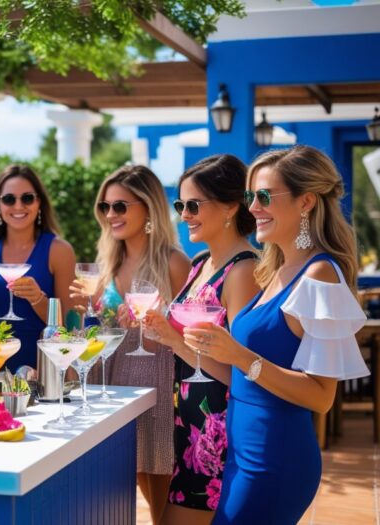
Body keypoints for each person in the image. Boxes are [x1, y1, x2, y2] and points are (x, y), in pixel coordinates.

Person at [183, 146, 369, 524]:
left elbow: (321, 397)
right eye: (250, 196)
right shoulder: (277, 270)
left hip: (273, 459)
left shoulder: (319, 275)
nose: (252, 207)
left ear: (306, 202)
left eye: (264, 196)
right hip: (242, 453)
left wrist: (238, 355)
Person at [69, 164, 191, 525]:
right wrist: (90, 311)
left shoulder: (174, 262)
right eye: (105, 207)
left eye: (120, 206)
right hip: (116, 382)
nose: (111, 214)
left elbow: (189, 333)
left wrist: (153, 321)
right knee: (136, 477)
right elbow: (102, 328)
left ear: (148, 208)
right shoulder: (108, 263)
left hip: (158, 384)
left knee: (163, 492)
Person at [142, 155, 259, 525]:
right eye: (181, 205)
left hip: (216, 436)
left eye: (193, 205)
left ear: (230, 206)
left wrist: (175, 340)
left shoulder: (243, 271)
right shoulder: (200, 264)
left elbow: (243, 373)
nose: (184, 216)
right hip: (187, 428)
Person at [0, 164, 76, 371]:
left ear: (39, 203)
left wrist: (38, 299)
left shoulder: (59, 251)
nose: (18, 206)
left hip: (42, 370)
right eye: (9, 199)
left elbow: (68, 326)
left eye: (27, 198)